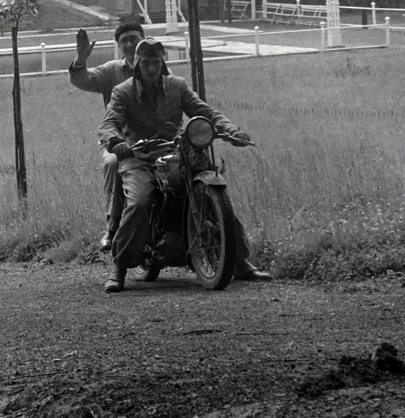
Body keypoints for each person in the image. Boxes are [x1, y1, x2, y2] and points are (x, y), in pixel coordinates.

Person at [98, 38, 261, 293]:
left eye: (156, 62)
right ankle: (119, 267)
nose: (151, 68)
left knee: (215, 193)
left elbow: (204, 111)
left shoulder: (177, 86)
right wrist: (116, 141)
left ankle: (238, 260)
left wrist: (231, 130)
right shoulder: (122, 91)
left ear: (163, 63)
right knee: (139, 202)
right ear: (137, 65)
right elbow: (108, 123)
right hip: (139, 158)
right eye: (145, 63)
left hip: (176, 153)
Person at [68, 21, 145, 250]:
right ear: (118, 46)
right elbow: (83, 80)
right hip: (118, 141)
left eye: (134, 38)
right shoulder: (112, 71)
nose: (130, 44)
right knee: (113, 163)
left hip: (151, 139)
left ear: (143, 38)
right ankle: (111, 228)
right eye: (125, 41)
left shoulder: (155, 67)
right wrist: (81, 59)